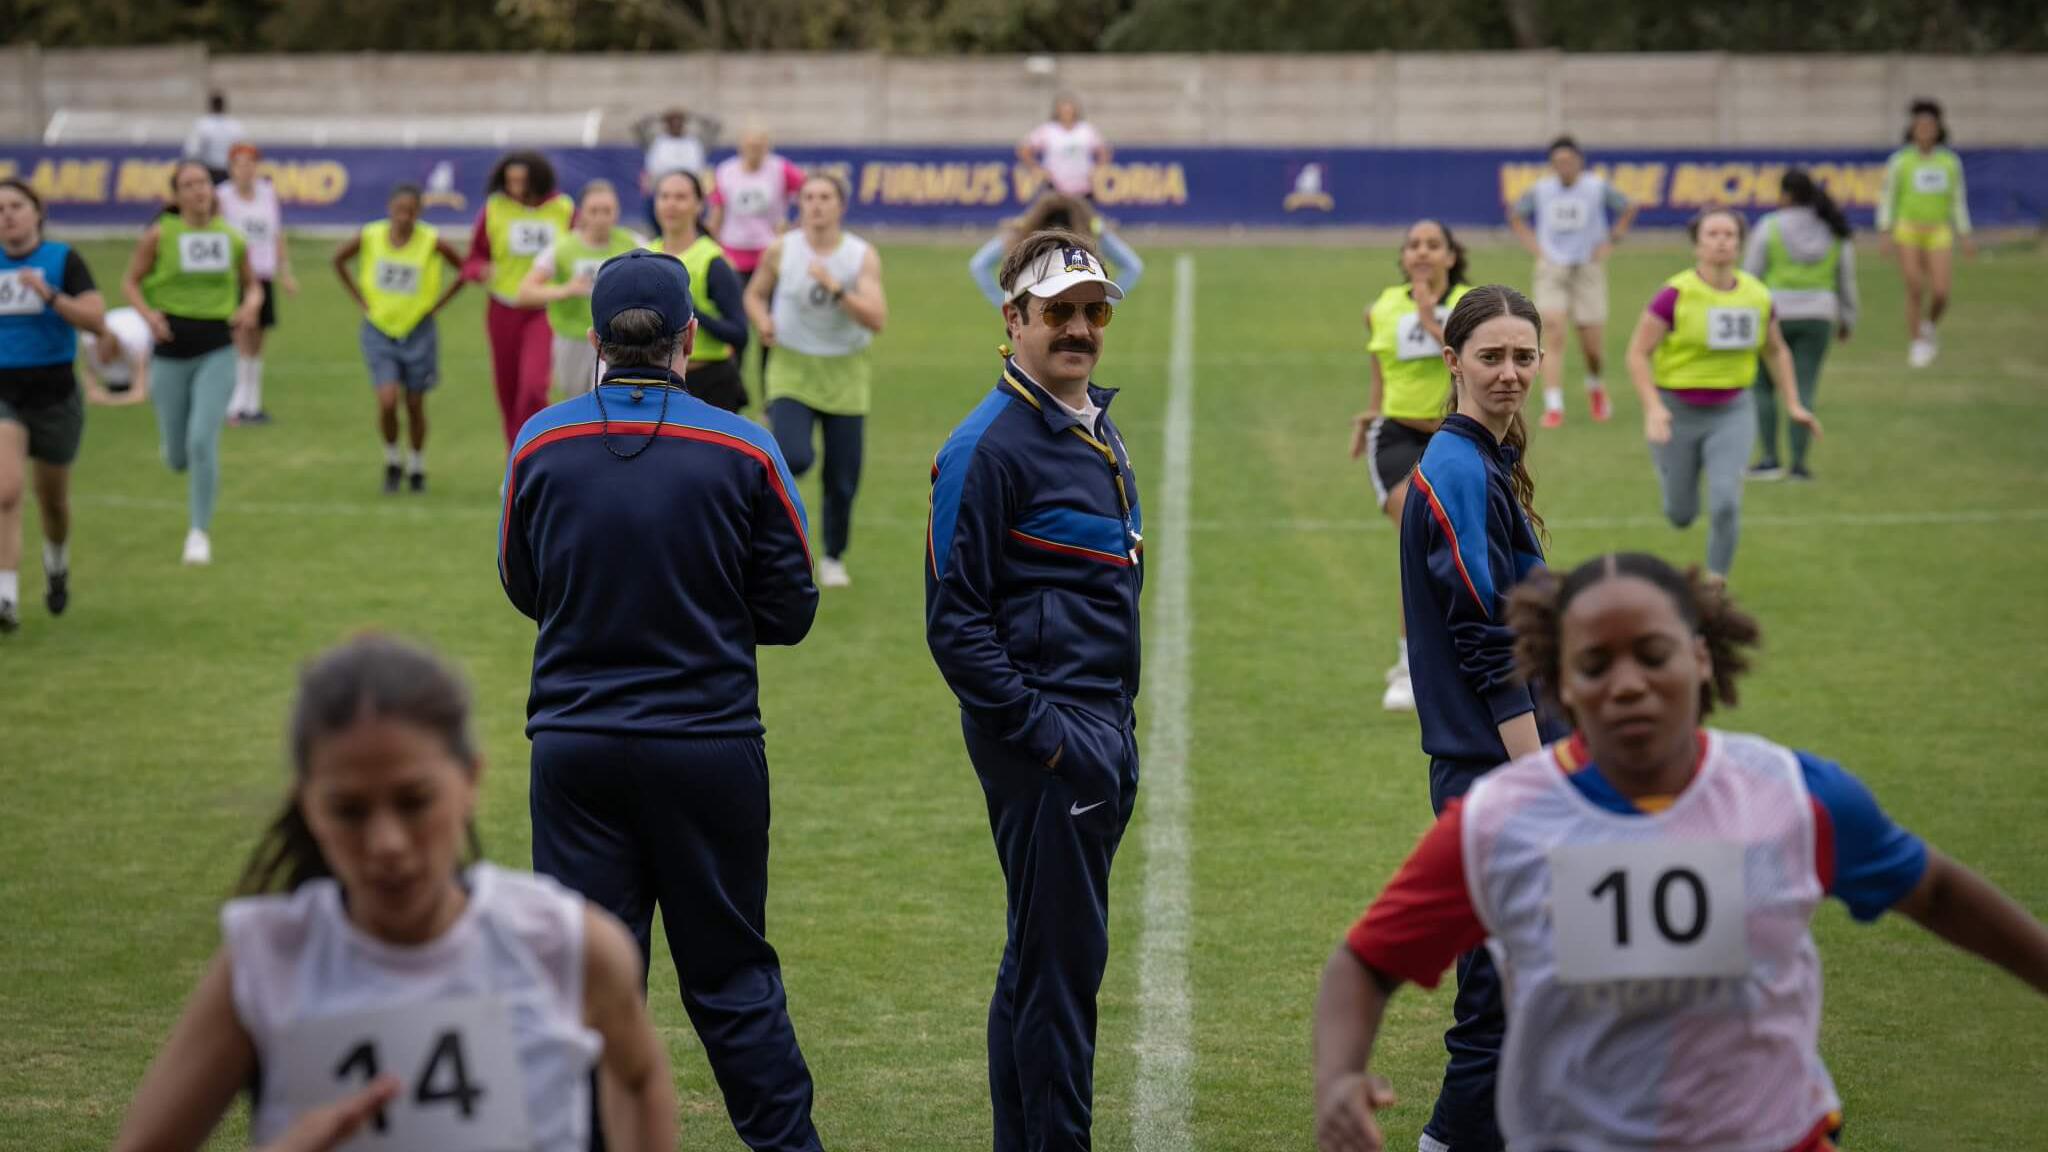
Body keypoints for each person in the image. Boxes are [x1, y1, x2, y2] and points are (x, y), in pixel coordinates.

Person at [1313, 551, 2048, 1152]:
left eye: (1653, 654)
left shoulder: (1794, 795)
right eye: (1595, 664)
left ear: (1700, 658)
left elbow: (1937, 892)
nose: (1628, 683)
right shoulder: (1499, 824)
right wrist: (1338, 1078)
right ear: (1559, 684)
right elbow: (1366, 961)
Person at [108, 633, 678, 1152]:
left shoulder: (564, 944)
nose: (386, 843)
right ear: (308, 806)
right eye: (349, 810)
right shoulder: (265, 961)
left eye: (414, 801)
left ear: (471, 781)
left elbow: (641, 1077)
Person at [499, 250, 826, 1152]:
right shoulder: (745, 444)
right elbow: (792, 608)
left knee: (590, 988)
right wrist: (701, 613)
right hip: (708, 743)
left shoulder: (540, 440)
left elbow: (525, 586)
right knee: (732, 980)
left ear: (597, 342)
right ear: (690, 335)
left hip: (574, 745)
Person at [926, 228, 1139, 1152]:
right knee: (1060, 976)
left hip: (1090, 725)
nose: (1079, 329)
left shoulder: (1090, 420)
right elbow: (954, 621)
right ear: (1013, 319)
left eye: (1093, 312)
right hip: (1052, 742)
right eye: (1058, 313)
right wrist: (1048, 735)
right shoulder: (985, 447)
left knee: (1037, 962)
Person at [1395, 284, 1568, 1152]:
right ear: (1452, 359)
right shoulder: (1458, 469)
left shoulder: (1486, 461)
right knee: (1498, 1001)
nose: (1509, 373)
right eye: (1492, 357)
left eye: (1523, 357)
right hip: (1497, 772)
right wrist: (1540, 777)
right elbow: (1485, 633)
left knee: (1532, 990)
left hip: (1512, 766)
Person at [1624, 207, 1820, 578]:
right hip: (1675, 410)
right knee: (1680, 514)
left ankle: (1716, 583)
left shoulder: (1757, 295)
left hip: (1732, 411)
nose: (1721, 241)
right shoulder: (1673, 294)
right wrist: (1652, 406)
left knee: (1726, 501)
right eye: (1712, 234)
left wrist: (1794, 402)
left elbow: (1776, 350)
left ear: (1740, 244)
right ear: (1697, 244)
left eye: (1729, 234)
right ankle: (1679, 479)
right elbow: (1637, 352)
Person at [1351, 219, 1472, 712]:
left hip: (1458, 434)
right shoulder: (1382, 307)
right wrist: (1369, 412)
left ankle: (1463, 651)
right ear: (1403, 257)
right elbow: (1381, 369)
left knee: (1463, 549)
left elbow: (1472, 361)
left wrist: (1430, 319)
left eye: (1433, 245)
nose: (1422, 253)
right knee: (1419, 535)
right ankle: (1408, 666)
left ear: (1450, 255)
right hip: (1397, 436)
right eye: (1414, 245)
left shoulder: (1472, 305)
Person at [744, 173, 885, 588]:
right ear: (799, 204)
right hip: (792, 370)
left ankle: (833, 556)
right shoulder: (780, 250)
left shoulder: (861, 256)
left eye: (825, 197)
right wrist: (763, 320)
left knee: (842, 480)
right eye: (808, 197)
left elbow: (877, 318)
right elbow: (753, 294)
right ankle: (769, 541)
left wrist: (837, 288)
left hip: (845, 374)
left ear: (840, 206)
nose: (816, 204)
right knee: (796, 457)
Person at [121, 159, 264, 566]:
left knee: (203, 440)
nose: (199, 190)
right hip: (169, 351)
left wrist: (250, 305)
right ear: (176, 195)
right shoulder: (159, 235)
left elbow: (253, 284)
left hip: (217, 348)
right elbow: (130, 281)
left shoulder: (231, 237)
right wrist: (148, 316)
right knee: (177, 456)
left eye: (204, 183)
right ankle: (175, 450)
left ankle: (198, 533)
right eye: (189, 184)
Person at [0, 178, 106, 633]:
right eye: (0, 208)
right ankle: (5, 596)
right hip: (5, 392)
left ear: (37, 212)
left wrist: (50, 296)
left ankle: (56, 564)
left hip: (55, 393)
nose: (7, 215)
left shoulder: (63, 259)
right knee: (5, 491)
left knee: (54, 503)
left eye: (16, 206)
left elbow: (97, 321)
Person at [334, 182, 467, 494]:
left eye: (411, 211)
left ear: (419, 212)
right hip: (379, 328)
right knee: (388, 400)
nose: (404, 217)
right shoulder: (371, 235)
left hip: (418, 329)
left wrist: (437, 305)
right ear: (389, 208)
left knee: (415, 403)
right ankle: (393, 459)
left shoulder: (431, 240)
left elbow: (465, 270)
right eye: (399, 210)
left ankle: (417, 464)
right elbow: (338, 260)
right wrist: (358, 297)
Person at [1507, 135, 1637, 428]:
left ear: (1579, 161)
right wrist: (1534, 245)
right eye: (1558, 162)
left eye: (1568, 160)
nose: (1563, 166)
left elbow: (1628, 206)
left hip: (1587, 267)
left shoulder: (1596, 186)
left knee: (1591, 345)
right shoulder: (1541, 189)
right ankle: (1554, 405)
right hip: (1552, 267)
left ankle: (1595, 385)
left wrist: (1611, 240)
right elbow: (1516, 214)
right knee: (1552, 331)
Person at [1744, 168, 1856, 482]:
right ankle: (1799, 465)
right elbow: (1845, 279)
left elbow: (1750, 273)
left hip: (1774, 312)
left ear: (1786, 195)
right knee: (1803, 387)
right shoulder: (1834, 229)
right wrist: (1848, 317)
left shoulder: (1770, 226)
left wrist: (1746, 312)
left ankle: (1769, 458)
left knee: (1763, 386)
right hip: (1818, 315)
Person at [463, 151, 575, 445]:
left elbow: (578, 249)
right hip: (502, 309)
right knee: (508, 392)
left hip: (544, 309)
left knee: (534, 388)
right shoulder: (494, 208)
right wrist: (479, 270)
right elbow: (474, 257)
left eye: (521, 181)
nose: (514, 187)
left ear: (537, 180)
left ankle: (537, 448)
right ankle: (515, 463)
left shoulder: (563, 208)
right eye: (510, 181)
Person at [518, 179, 644, 399]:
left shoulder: (633, 244)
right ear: (582, 213)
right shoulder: (562, 247)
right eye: (594, 211)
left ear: (617, 212)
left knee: (609, 400)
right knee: (578, 402)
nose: (601, 218)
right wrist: (565, 290)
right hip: (573, 338)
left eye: (607, 211)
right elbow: (524, 292)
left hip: (619, 340)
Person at [644, 169, 751, 412]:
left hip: (709, 382)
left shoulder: (713, 260)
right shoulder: (646, 255)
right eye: (664, 196)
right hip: (657, 382)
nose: (671, 204)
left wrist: (689, 309)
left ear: (699, 205)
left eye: (680, 197)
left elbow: (740, 333)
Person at [1879, 98, 1975, 368]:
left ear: (1938, 129)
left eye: (1929, 125)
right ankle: (1917, 341)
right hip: (1908, 229)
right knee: (1915, 286)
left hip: (1939, 231)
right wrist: (1885, 230)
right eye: (1919, 125)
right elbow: (1889, 196)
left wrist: (1965, 233)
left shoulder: (1949, 162)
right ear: (1911, 129)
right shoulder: (1901, 161)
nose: (1924, 130)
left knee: (1941, 292)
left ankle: (1929, 324)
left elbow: (1957, 199)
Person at [216, 143, 296, 425]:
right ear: (231, 166)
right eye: (240, 163)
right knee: (241, 337)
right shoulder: (222, 197)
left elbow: (276, 233)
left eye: (251, 162)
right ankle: (236, 404)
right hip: (236, 276)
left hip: (263, 274)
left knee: (258, 340)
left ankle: (253, 402)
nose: (246, 168)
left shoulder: (267, 193)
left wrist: (285, 270)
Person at [968, 190, 1145, 307]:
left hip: (1035, 317)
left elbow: (979, 264)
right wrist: (1103, 304)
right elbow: (1133, 266)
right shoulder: (1093, 234)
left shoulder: (1022, 234)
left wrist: (1005, 302)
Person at [708, 124, 805, 312]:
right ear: (741, 145)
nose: (755, 150)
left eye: (760, 145)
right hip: (733, 250)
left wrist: (795, 228)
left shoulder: (781, 169)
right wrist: (712, 242)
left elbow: (809, 192)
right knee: (734, 311)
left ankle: (767, 341)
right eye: (751, 145)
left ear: (768, 146)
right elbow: (717, 212)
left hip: (770, 250)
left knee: (770, 311)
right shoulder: (726, 171)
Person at [1018, 95, 1111, 200]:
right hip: (1055, 187)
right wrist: (1038, 169)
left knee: (1083, 215)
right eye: (1064, 111)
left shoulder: (1085, 129)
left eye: (1070, 111)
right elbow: (1024, 149)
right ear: (1058, 112)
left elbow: (1104, 150)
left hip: (1083, 187)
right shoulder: (1048, 129)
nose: (1067, 114)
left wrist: (1097, 170)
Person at [78, 305, 156, 403]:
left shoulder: (138, 341)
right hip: (124, 327)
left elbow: (140, 393)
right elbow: (89, 381)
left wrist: (106, 398)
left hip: (144, 327)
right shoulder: (89, 340)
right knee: (116, 380)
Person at [640, 106, 707, 192]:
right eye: (671, 120)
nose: (676, 123)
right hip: (662, 188)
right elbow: (638, 128)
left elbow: (715, 127)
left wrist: (693, 115)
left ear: (684, 121)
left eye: (679, 119)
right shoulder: (655, 141)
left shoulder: (694, 141)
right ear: (666, 122)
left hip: (689, 188)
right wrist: (658, 116)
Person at [183, 92, 242, 184]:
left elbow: (192, 151)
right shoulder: (234, 125)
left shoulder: (202, 124)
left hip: (209, 169)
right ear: (224, 106)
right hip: (228, 170)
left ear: (210, 106)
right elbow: (240, 149)